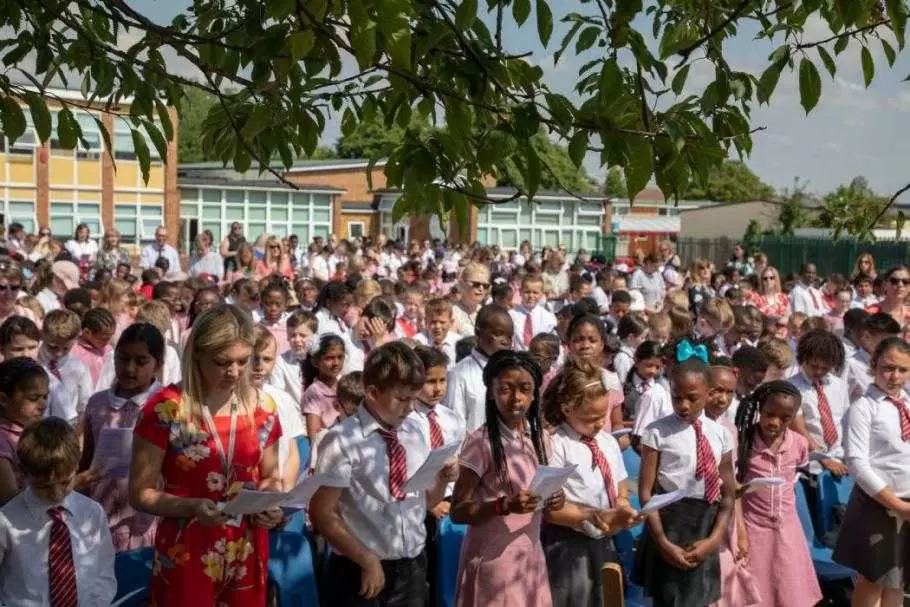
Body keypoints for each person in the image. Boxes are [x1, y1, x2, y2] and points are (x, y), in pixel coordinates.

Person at [130, 305, 284, 606]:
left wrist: (272, 506)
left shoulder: (263, 407)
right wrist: (192, 507)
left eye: (243, 361)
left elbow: (270, 476)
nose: (235, 372)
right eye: (222, 362)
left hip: (247, 547)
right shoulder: (166, 409)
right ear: (198, 354)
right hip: (186, 548)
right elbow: (139, 494)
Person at [311, 342, 455, 606]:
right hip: (359, 568)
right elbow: (322, 513)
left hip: (411, 567)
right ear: (373, 392)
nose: (411, 407)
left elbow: (424, 502)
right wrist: (365, 558)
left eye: (414, 398)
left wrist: (442, 478)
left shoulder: (414, 431)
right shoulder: (342, 441)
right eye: (402, 399)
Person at [451, 350, 564, 607]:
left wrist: (555, 497)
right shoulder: (480, 442)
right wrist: (503, 505)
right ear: (491, 391)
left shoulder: (541, 439)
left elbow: (543, 496)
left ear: (535, 393)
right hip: (493, 562)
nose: (516, 398)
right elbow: (458, 511)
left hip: (530, 557)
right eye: (505, 389)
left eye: (525, 388)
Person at [635, 359, 735, 607]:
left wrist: (714, 539)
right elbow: (646, 493)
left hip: (706, 524)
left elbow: (729, 492)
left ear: (709, 393)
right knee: (670, 598)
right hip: (669, 523)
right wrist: (662, 542)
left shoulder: (720, 434)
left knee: (699, 598)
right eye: (676, 397)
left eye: (692, 398)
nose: (683, 405)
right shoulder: (657, 432)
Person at [542, 356, 640, 607]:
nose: (598, 424)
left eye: (602, 416)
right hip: (568, 546)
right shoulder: (557, 445)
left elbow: (620, 485)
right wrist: (595, 516)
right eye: (590, 418)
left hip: (604, 542)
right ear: (566, 408)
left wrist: (622, 506)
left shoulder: (607, 442)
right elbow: (553, 509)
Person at [0, 417, 117, 605]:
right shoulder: (5, 520)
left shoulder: (92, 513)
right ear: (22, 472)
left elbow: (103, 569)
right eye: (43, 486)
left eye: (65, 482)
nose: (56, 494)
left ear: (77, 466)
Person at [834, 337, 910, 606]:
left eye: (903, 369)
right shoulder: (863, 408)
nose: (895, 376)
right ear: (874, 365)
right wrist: (897, 505)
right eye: (889, 368)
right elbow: (857, 463)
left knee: (898, 580)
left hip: (907, 504)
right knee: (874, 579)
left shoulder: (908, 404)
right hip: (879, 505)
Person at [734, 380, 822, 607]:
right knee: (755, 590)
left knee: (789, 589)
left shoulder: (799, 444)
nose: (775, 422)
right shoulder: (743, 441)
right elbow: (734, 486)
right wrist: (740, 532)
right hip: (752, 528)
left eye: (785, 418)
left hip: (786, 528)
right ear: (759, 410)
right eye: (769, 414)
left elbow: (797, 471)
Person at [79, 323, 163, 551]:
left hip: (148, 524)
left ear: (159, 364)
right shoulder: (97, 404)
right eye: (123, 358)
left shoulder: (167, 406)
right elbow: (87, 458)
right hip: (99, 522)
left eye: (141, 361)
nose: (129, 368)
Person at [704, 365, 759, 607]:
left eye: (729, 393)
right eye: (716, 391)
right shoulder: (690, 425)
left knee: (726, 579)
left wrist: (742, 531)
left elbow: (732, 483)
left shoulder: (729, 428)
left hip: (724, 515)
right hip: (698, 516)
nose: (722, 399)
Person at [443, 304, 514, 433]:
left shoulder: (513, 372)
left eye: (509, 336)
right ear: (477, 332)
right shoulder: (458, 375)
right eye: (498, 333)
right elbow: (453, 428)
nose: (505, 341)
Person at [787, 330, 849, 477]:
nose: (819, 371)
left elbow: (845, 423)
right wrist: (824, 460)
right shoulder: (791, 387)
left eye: (825, 367)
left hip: (839, 460)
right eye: (814, 366)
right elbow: (798, 428)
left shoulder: (839, 386)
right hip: (808, 465)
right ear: (804, 359)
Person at [249, 325, 304, 490]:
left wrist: (286, 490)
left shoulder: (282, 398)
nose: (259, 366)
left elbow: (292, 450)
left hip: (276, 488)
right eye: (253, 358)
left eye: (267, 359)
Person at [565, 314, 625, 439]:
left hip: (604, 445)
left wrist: (618, 440)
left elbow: (617, 422)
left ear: (602, 344)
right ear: (569, 343)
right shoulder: (561, 379)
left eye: (592, 340)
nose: (585, 345)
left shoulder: (611, 379)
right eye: (578, 339)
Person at [0, 358, 50, 504]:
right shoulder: (2, 442)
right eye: (33, 398)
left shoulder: (30, 429)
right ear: (3, 399)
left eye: (45, 396)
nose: (43, 404)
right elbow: (10, 500)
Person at [39, 310, 93, 426]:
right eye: (52, 347)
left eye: (66, 348)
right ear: (42, 334)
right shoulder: (32, 360)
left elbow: (84, 406)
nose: (58, 354)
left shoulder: (79, 368)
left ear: (76, 339)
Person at [300, 333, 345, 444]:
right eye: (329, 358)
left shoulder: (345, 384)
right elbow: (315, 436)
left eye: (340, 357)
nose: (336, 363)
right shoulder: (314, 392)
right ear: (316, 361)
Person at [845, 312, 901, 401]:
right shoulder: (850, 365)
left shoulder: (898, 365)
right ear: (867, 337)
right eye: (885, 341)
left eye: (894, 341)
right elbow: (840, 403)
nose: (891, 346)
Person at [69, 307, 115, 388]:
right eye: (104, 338)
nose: (108, 342)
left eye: (110, 337)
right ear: (87, 332)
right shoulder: (73, 351)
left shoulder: (108, 350)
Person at [622, 340, 664, 424]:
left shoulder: (663, 387)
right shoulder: (624, 389)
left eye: (657, 367)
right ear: (637, 362)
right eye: (649, 365)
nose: (653, 371)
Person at [413, 297, 460, 368]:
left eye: (442, 322)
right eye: (433, 322)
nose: (437, 326)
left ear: (451, 322)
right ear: (426, 322)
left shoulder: (458, 342)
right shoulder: (418, 341)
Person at [452, 263, 491, 336]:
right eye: (476, 284)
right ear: (462, 284)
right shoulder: (451, 312)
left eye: (485, 286)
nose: (481, 289)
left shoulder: (487, 313)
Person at [613, 314, 650, 386]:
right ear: (631, 337)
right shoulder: (622, 358)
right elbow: (623, 383)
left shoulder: (632, 353)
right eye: (642, 338)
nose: (644, 341)